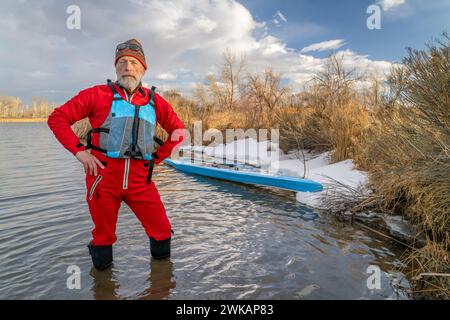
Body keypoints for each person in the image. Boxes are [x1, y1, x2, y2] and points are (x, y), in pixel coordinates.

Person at [48, 39, 186, 270]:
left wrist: (156, 158)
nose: (128, 67)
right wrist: (80, 152)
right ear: (115, 67)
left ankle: (160, 285)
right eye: (122, 62)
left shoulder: (155, 102)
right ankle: (103, 288)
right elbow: (57, 118)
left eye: (133, 62)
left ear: (143, 69)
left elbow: (179, 132)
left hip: (141, 181)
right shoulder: (96, 94)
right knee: (103, 237)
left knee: (162, 232)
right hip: (102, 180)